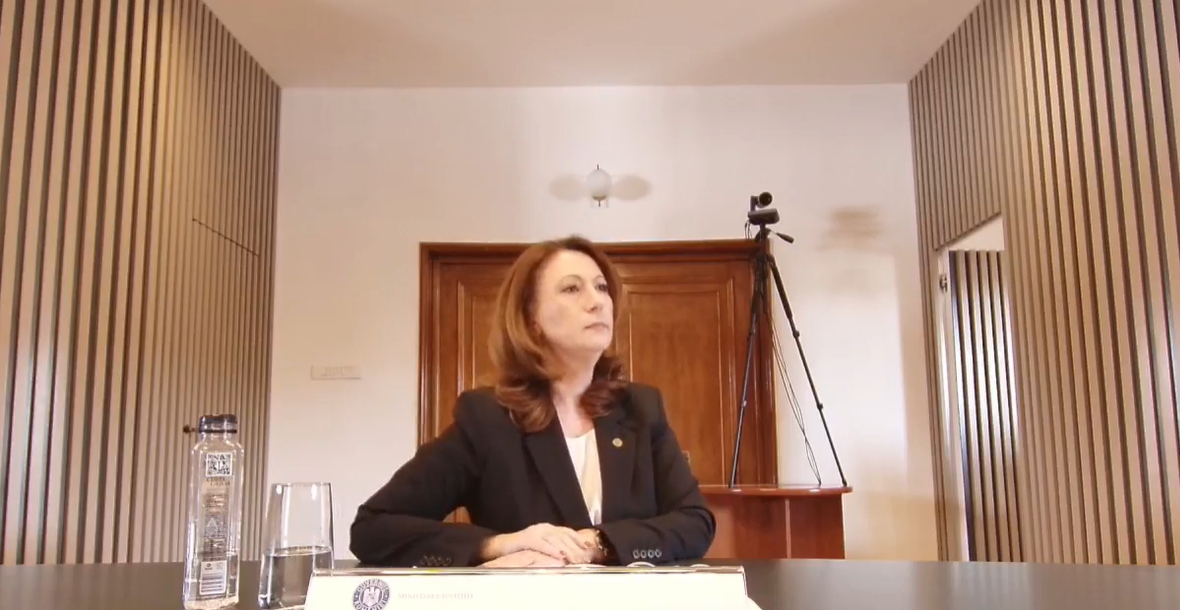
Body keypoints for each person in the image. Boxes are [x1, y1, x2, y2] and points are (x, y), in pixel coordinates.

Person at [349, 235, 715, 568]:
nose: (597, 302)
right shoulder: (487, 418)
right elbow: (373, 528)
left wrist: (599, 542)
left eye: (602, 287)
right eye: (572, 288)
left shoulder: (641, 408)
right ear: (531, 318)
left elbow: (695, 523)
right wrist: (497, 545)